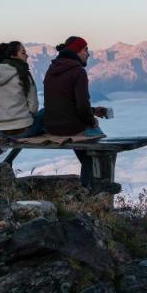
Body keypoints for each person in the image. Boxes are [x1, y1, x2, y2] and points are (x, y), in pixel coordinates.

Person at [43, 36, 110, 187]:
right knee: (96, 147)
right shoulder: (78, 71)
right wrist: (92, 120)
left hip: (51, 126)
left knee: (85, 146)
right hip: (70, 128)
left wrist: (92, 111)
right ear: (77, 51)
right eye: (85, 50)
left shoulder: (51, 69)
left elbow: (63, 102)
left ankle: (88, 189)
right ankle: (89, 191)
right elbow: (81, 106)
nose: (89, 54)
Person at [0, 41, 42, 137]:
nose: (27, 56)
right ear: (13, 56)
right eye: (23, 52)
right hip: (24, 130)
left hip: (1, 132)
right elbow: (33, 107)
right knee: (45, 113)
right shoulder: (23, 73)